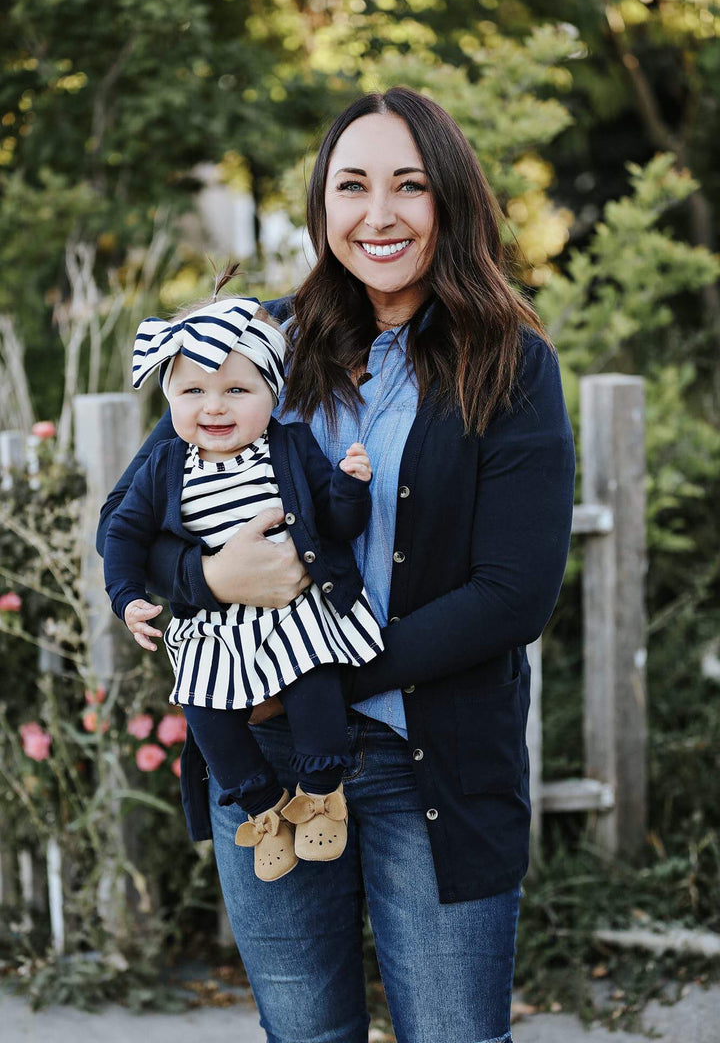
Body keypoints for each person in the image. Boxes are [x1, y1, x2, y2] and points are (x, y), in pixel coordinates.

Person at [97, 86, 576, 1043]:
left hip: (428, 763)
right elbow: (139, 519)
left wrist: (316, 671)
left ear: (450, 199)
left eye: (409, 185)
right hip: (270, 763)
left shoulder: (509, 364)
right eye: (352, 186)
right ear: (322, 208)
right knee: (305, 1033)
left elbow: (512, 595)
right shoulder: (252, 348)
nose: (379, 215)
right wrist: (208, 586)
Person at [103, 290, 383, 881]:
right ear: (171, 400)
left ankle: (320, 792)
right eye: (193, 392)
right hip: (212, 624)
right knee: (205, 715)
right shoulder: (163, 468)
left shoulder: (289, 447)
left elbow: (335, 524)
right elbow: (122, 533)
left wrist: (350, 488)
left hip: (292, 612)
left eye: (237, 390)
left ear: (271, 395)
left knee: (314, 688)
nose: (215, 407)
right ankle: (263, 808)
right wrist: (128, 598)